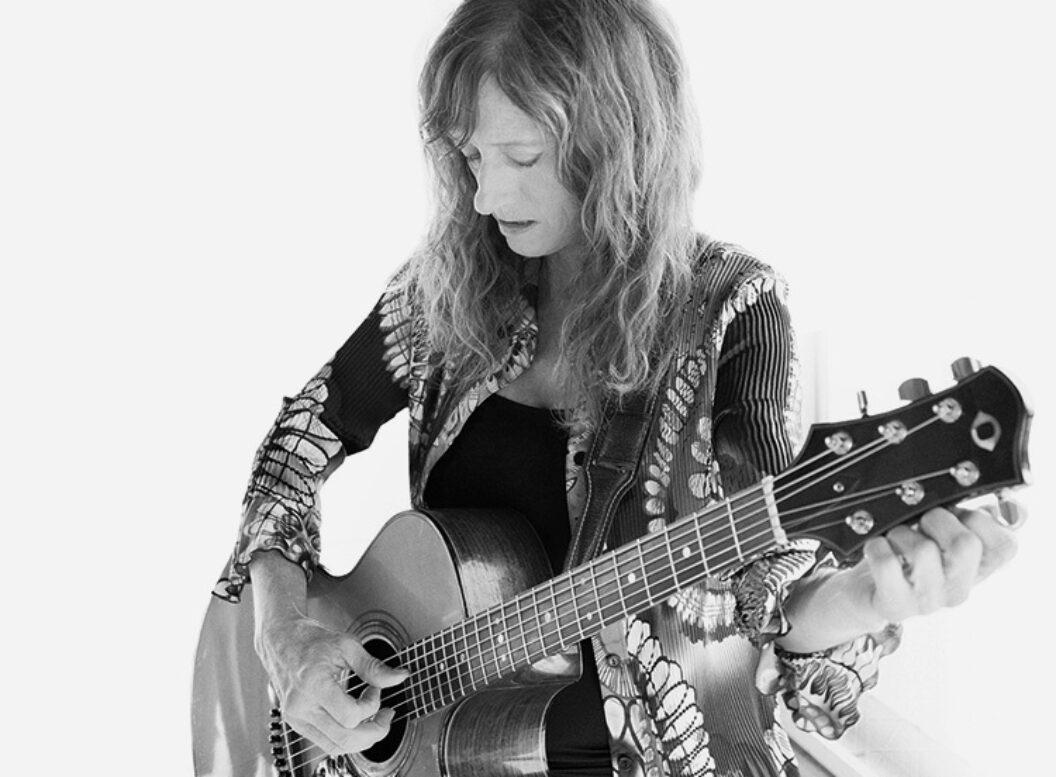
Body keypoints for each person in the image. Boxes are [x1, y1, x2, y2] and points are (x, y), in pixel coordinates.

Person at [211, 1, 1020, 775]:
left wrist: (867, 595)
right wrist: (282, 627)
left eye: (522, 157)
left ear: (615, 143)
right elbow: (298, 444)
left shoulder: (731, 311)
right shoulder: (444, 290)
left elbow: (768, 599)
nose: (487, 196)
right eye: (471, 156)